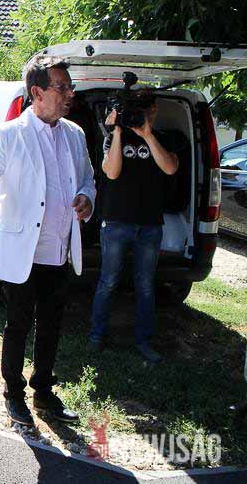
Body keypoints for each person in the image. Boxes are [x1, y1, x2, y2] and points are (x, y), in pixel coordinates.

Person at [0, 56, 96, 427]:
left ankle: (43, 391)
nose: (69, 94)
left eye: (70, 87)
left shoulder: (75, 134)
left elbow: (87, 179)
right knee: (18, 325)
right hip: (23, 251)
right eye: (62, 87)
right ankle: (14, 393)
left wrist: (87, 198)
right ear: (37, 92)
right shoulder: (9, 134)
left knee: (52, 325)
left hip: (59, 249)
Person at [88, 93, 179, 363]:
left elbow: (170, 168)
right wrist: (117, 130)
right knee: (108, 281)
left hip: (150, 224)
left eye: (145, 110)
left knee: (146, 284)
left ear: (154, 110)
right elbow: (112, 172)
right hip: (117, 221)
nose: (140, 116)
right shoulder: (114, 137)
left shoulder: (164, 138)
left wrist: (148, 135)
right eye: (135, 111)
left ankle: (144, 340)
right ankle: (96, 336)